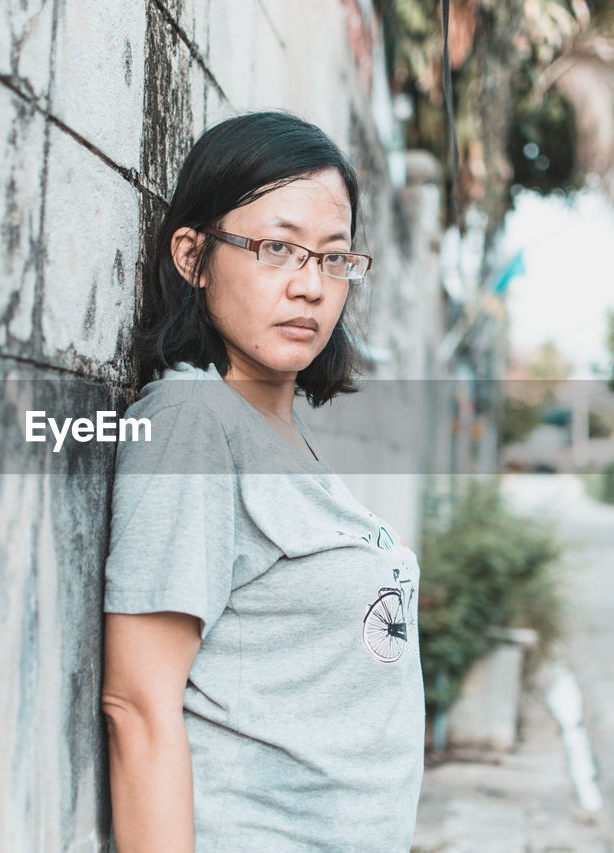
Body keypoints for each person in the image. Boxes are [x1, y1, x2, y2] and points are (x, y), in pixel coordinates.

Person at [101, 111, 424, 852]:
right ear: (194, 255)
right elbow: (137, 706)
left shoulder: (280, 431)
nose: (311, 286)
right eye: (277, 248)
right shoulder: (192, 423)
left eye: (333, 258)